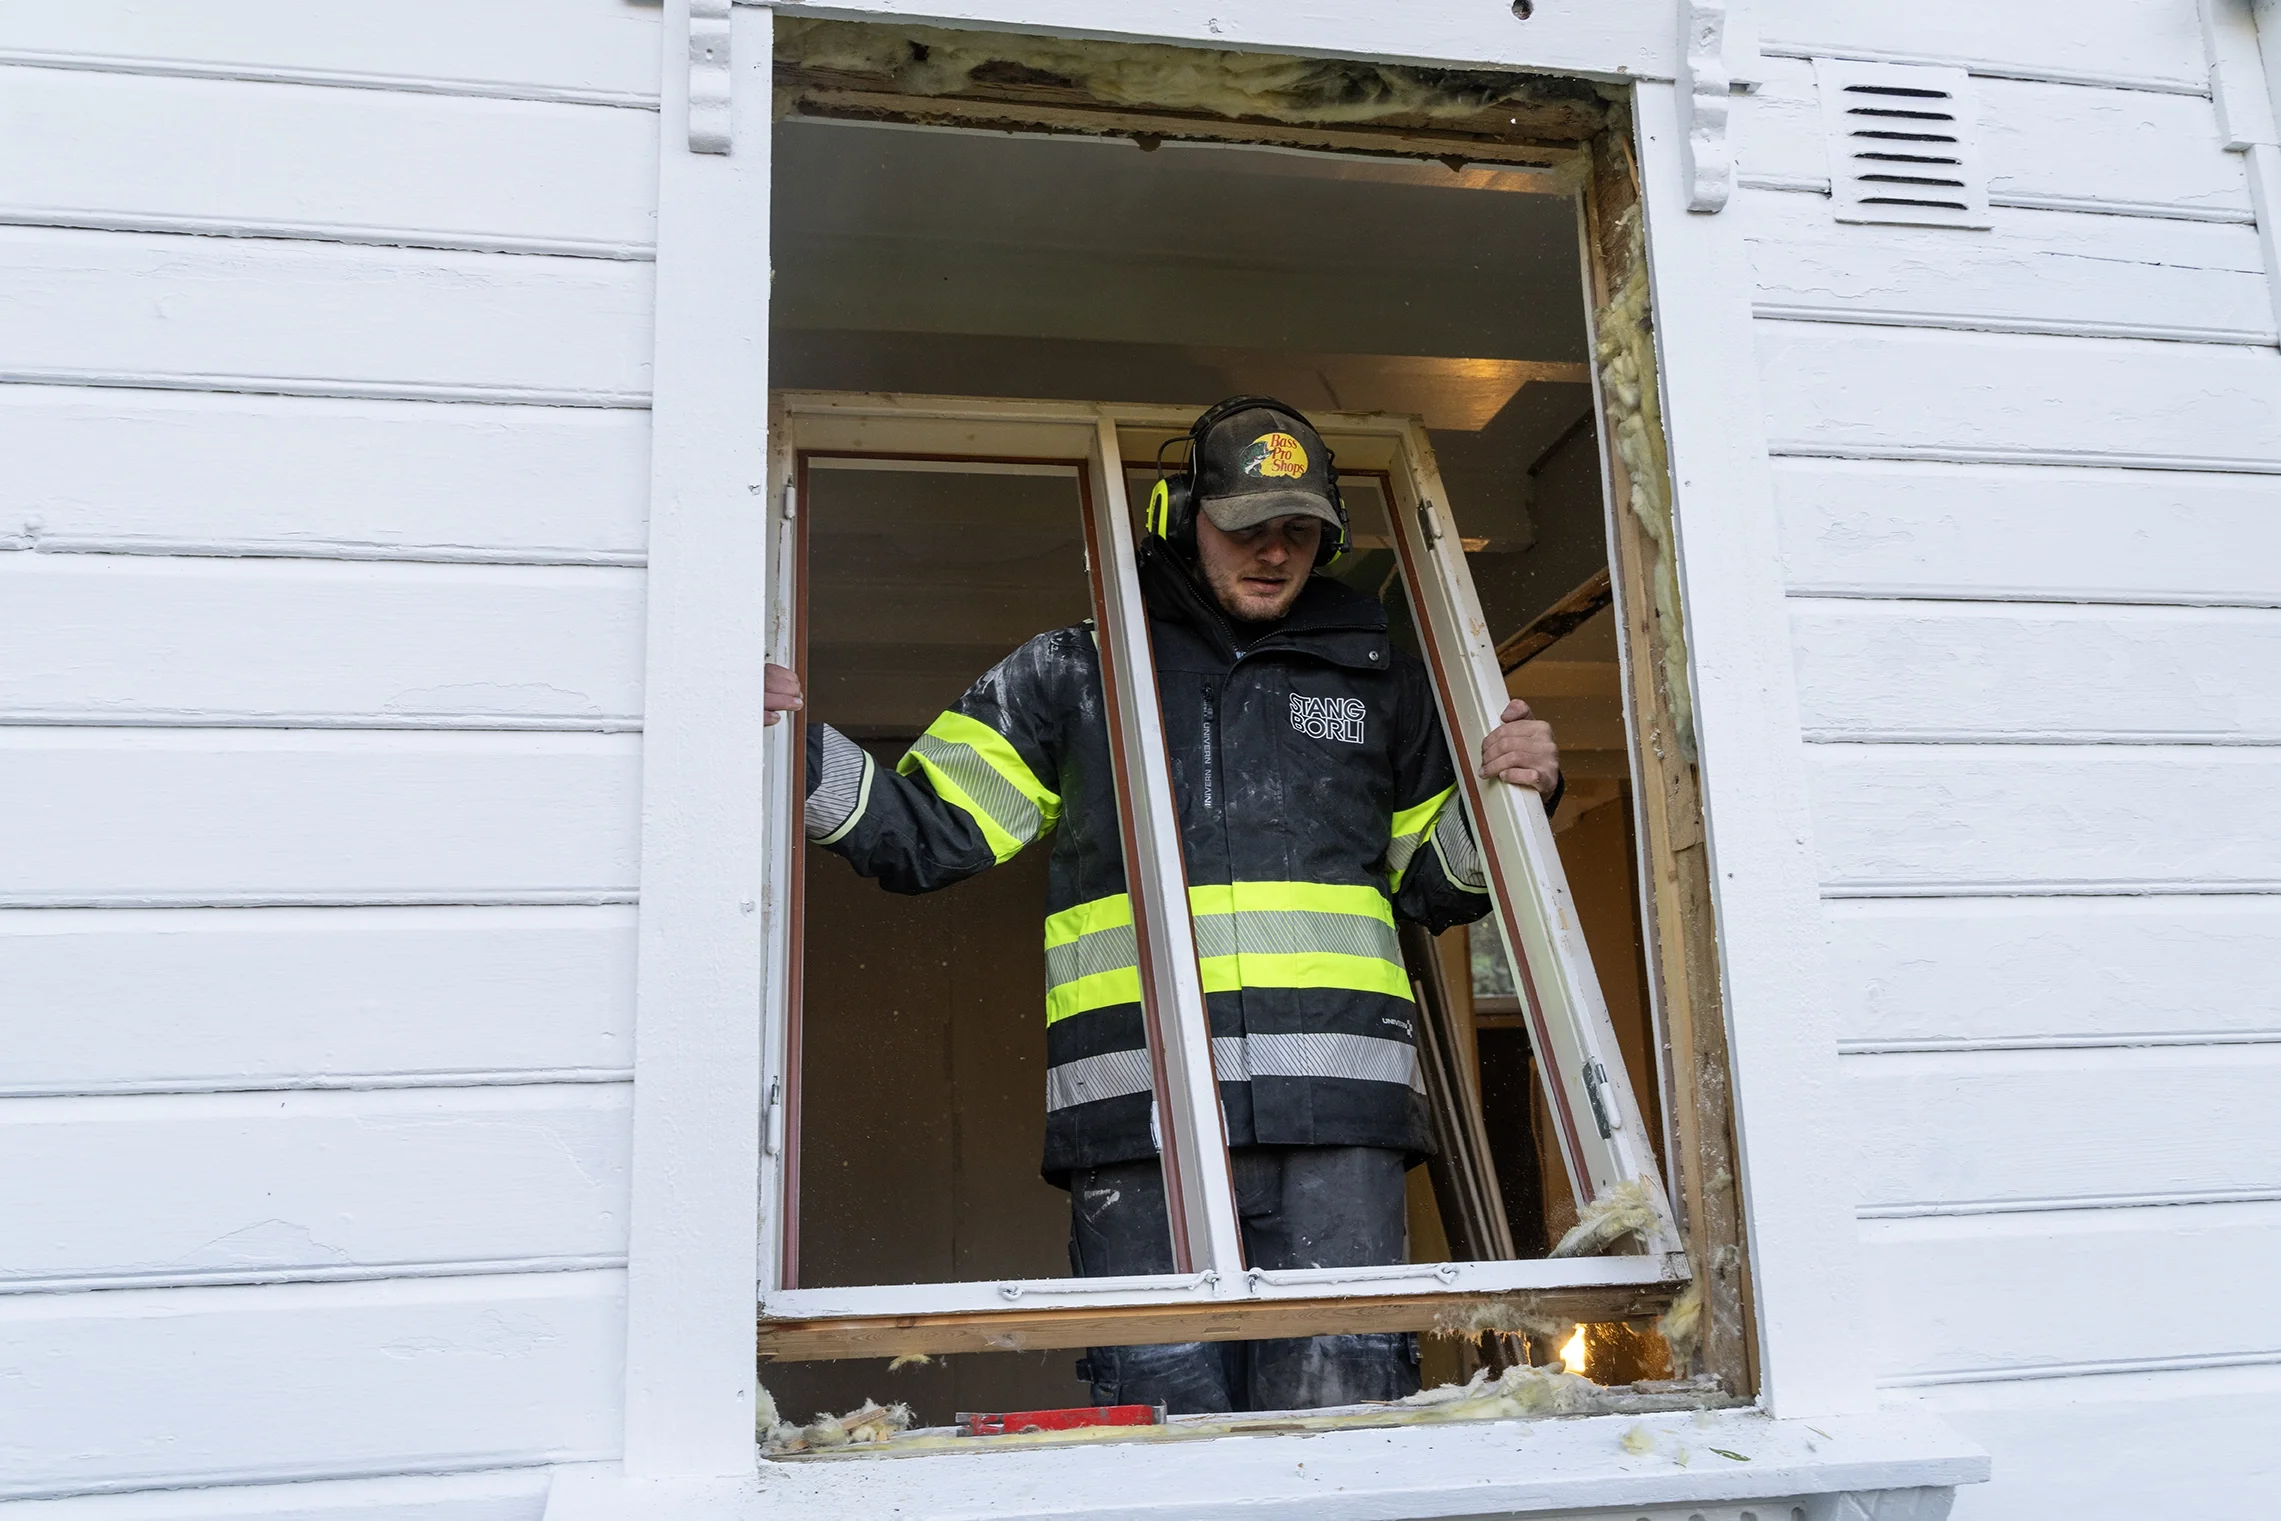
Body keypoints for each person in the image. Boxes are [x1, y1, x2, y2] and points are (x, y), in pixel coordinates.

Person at [762, 397, 1560, 1414]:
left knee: (1343, 1423)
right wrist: (794, 751)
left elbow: (1435, 886)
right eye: (1249, 526)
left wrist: (1513, 799)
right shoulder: (1078, 675)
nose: (1275, 552)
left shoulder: (1382, 686)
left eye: (1300, 530)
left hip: (1338, 1128)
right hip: (1139, 1127)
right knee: (1158, 1423)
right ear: (1181, 518)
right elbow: (923, 832)